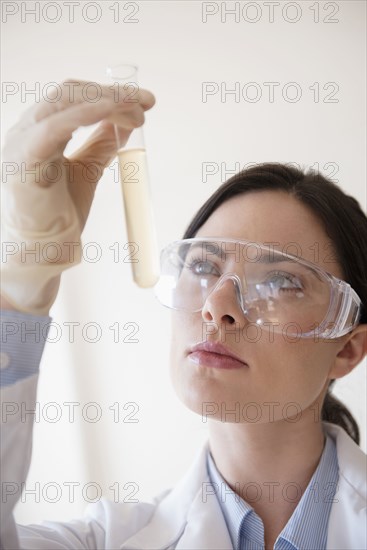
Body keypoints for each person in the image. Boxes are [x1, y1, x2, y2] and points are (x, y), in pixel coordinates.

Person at [1, 80, 366, 550]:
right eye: (203, 267)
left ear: (348, 348)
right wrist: (23, 278)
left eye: (279, 282)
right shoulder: (104, 541)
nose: (217, 306)